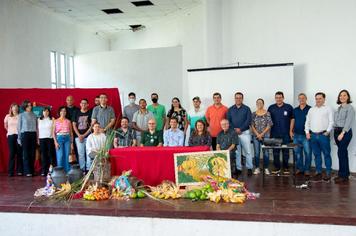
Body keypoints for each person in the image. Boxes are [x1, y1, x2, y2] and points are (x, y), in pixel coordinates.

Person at [305, 92, 334, 181]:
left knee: (326, 154)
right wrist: (307, 132)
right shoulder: (311, 110)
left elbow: (331, 121)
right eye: (316, 98)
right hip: (313, 136)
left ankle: (328, 172)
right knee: (316, 155)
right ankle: (318, 172)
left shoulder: (328, 109)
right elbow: (307, 121)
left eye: (320, 98)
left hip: (323, 135)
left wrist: (328, 131)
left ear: (324, 99)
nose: (318, 100)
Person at [268, 91, 294, 174]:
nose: (278, 99)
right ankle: (277, 167)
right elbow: (268, 120)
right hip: (275, 133)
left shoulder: (289, 107)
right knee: (276, 152)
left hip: (286, 134)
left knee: (286, 151)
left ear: (283, 98)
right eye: (277, 97)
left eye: (280, 97)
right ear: (275, 98)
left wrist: (290, 131)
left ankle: (286, 167)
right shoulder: (271, 107)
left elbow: (292, 119)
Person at [227, 92, 253, 176]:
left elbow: (248, 120)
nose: (238, 99)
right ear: (234, 99)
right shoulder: (230, 109)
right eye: (236, 98)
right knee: (237, 152)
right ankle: (238, 168)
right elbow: (228, 121)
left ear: (242, 99)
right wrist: (234, 129)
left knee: (248, 151)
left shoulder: (247, 108)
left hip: (245, 132)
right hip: (234, 133)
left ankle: (249, 168)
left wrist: (240, 129)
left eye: (240, 98)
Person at [333, 89, 355, 183]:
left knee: (341, 153)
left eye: (344, 95)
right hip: (337, 132)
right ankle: (345, 174)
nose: (342, 97)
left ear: (348, 97)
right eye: (340, 95)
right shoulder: (338, 108)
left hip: (344, 133)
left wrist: (342, 133)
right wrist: (335, 135)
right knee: (343, 153)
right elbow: (336, 122)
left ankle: (342, 175)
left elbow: (348, 122)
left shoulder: (350, 108)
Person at [290, 93, 312, 176]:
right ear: (298, 99)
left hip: (306, 135)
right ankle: (300, 168)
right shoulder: (295, 110)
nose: (301, 99)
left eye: (303, 98)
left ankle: (307, 169)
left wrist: (310, 132)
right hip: (296, 135)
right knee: (297, 153)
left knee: (307, 153)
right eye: (300, 98)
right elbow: (293, 120)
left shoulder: (310, 109)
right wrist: (290, 131)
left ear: (306, 99)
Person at [251, 98, 273, 175]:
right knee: (256, 153)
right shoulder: (253, 114)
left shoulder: (267, 113)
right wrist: (257, 134)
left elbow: (269, 125)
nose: (259, 104)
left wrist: (262, 134)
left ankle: (266, 168)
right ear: (256, 104)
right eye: (258, 103)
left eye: (261, 103)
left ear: (263, 104)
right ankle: (257, 168)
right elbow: (252, 125)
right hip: (256, 136)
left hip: (266, 136)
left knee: (266, 153)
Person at [17, 100, 37, 177]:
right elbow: (19, 127)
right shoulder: (21, 115)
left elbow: (36, 127)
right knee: (26, 153)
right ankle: (27, 171)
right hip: (24, 134)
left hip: (33, 134)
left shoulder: (34, 115)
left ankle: (32, 170)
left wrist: (37, 137)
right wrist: (19, 138)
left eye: (30, 105)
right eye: (28, 105)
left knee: (32, 153)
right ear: (25, 106)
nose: (30, 107)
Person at [73, 99, 92, 172]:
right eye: (82, 103)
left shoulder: (90, 113)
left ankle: (88, 169)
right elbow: (74, 125)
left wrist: (84, 135)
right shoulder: (76, 113)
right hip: (78, 137)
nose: (83, 105)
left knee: (88, 153)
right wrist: (79, 135)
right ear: (80, 104)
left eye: (85, 103)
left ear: (87, 105)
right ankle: (82, 169)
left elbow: (91, 126)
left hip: (88, 136)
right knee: (81, 154)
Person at [4, 103, 23, 176]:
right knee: (12, 153)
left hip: (19, 136)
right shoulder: (7, 116)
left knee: (19, 153)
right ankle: (10, 171)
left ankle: (19, 170)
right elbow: (5, 126)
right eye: (13, 107)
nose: (15, 109)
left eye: (16, 107)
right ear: (11, 108)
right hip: (11, 136)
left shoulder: (20, 116)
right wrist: (10, 131)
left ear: (18, 108)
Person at [53, 106, 73, 173]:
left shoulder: (68, 121)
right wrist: (55, 142)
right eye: (62, 111)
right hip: (59, 138)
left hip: (67, 138)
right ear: (59, 112)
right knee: (60, 155)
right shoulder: (56, 121)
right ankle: (60, 171)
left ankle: (67, 171)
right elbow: (53, 133)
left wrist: (71, 143)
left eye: (64, 111)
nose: (63, 112)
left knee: (67, 155)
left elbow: (71, 132)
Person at [37, 107, 56, 176]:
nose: (46, 113)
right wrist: (37, 139)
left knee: (51, 154)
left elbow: (54, 130)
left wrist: (54, 139)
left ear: (49, 112)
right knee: (43, 155)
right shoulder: (39, 119)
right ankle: (44, 170)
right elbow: (37, 130)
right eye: (44, 111)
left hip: (50, 138)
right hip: (42, 139)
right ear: (42, 112)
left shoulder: (52, 119)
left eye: (47, 111)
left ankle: (51, 170)